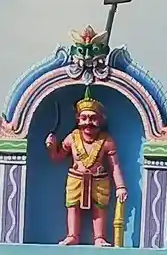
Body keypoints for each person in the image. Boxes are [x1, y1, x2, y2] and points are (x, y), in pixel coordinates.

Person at [45, 92, 128, 246]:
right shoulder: (72, 138)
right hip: (76, 178)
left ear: (100, 120)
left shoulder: (107, 141)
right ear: (78, 119)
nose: (88, 122)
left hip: (99, 179)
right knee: (72, 207)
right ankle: (72, 236)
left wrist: (121, 187)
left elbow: (115, 166)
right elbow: (58, 158)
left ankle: (99, 238)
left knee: (100, 208)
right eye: (84, 118)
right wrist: (51, 147)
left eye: (93, 118)